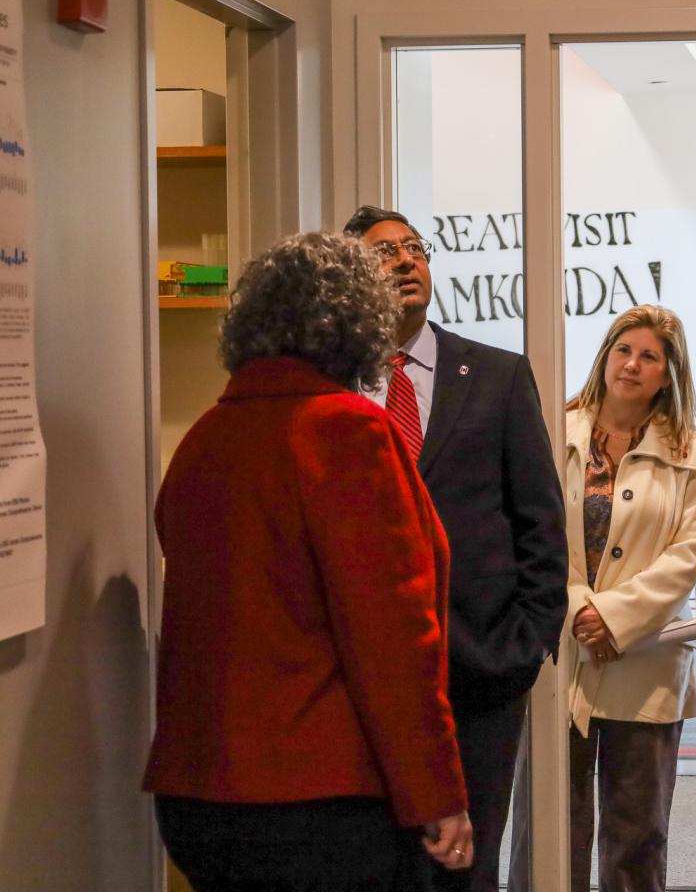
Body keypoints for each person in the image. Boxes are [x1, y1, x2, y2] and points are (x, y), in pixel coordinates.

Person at [143, 232, 472, 891]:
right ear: (357, 326)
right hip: (321, 800)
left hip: (197, 796)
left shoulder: (204, 440)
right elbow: (392, 636)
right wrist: (434, 790)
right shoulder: (350, 432)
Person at [343, 205, 569, 892]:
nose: (406, 261)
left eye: (414, 248)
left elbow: (540, 516)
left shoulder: (497, 375)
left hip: (482, 666)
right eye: (384, 253)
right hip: (368, 674)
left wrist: (528, 640)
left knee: (469, 867)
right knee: (382, 864)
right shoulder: (337, 384)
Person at [564, 304, 696, 892]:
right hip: (565, 646)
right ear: (605, 357)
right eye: (623, 349)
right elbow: (536, 531)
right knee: (554, 824)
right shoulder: (557, 429)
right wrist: (579, 607)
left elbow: (691, 549)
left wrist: (612, 617)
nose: (632, 364)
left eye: (649, 356)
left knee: (638, 830)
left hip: (646, 657)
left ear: (667, 373)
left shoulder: (690, 451)